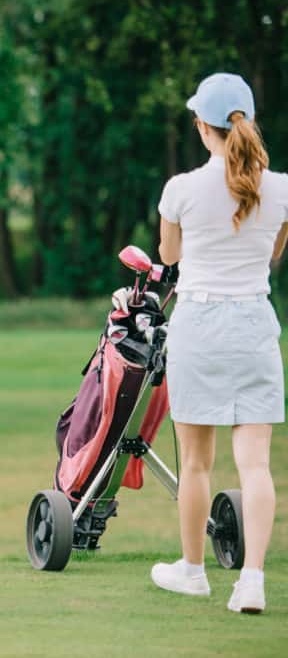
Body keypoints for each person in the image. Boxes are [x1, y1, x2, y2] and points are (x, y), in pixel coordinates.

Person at [149, 73, 288, 614]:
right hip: (254, 327)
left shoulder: (180, 189)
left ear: (203, 128)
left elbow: (168, 256)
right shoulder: (280, 188)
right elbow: (272, 253)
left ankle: (192, 570)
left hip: (200, 328)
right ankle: (251, 580)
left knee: (198, 463)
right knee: (255, 465)